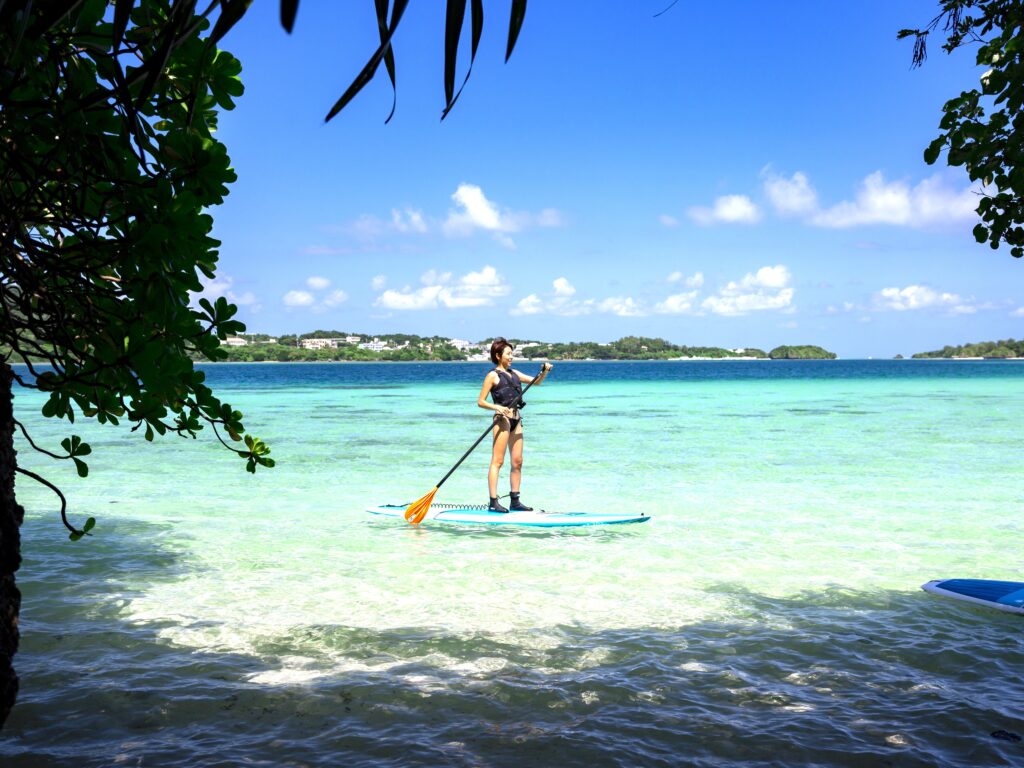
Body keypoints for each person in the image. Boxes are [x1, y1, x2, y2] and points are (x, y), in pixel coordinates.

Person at [477, 338, 552, 512]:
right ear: (498, 355)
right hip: (501, 421)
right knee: (498, 461)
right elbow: (480, 401)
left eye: (512, 354)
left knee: (517, 461)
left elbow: (537, 381)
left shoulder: (515, 373)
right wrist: (497, 407)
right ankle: (493, 502)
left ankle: (515, 500)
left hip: (517, 420)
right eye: (508, 354)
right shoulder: (492, 376)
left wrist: (544, 371)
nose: (511, 357)